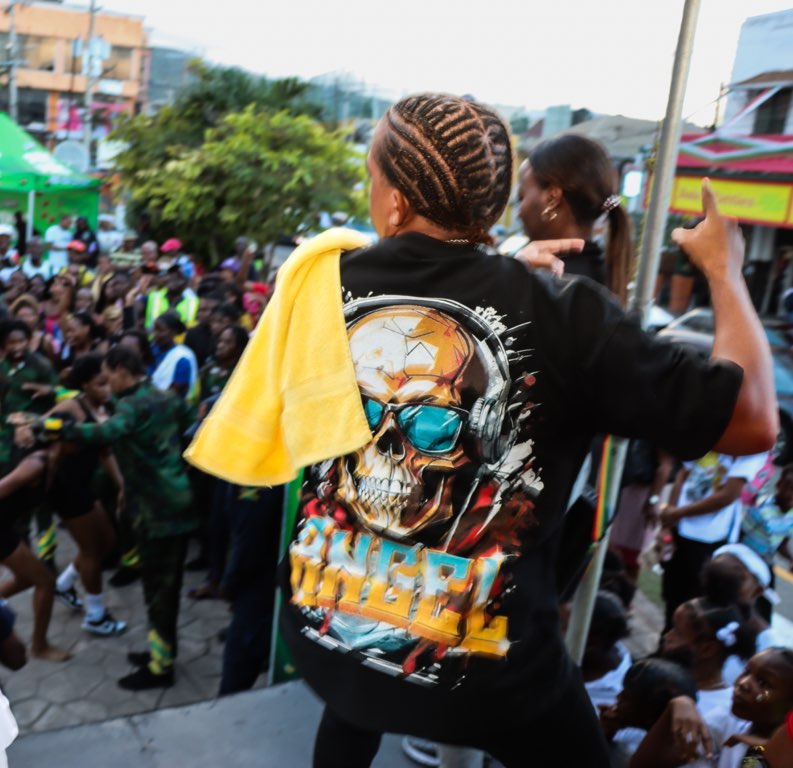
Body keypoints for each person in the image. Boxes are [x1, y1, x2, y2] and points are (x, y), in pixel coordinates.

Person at [187, 93, 777, 768]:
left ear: (396, 201)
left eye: (372, 175)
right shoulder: (565, 315)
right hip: (490, 676)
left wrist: (502, 275)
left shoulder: (319, 285)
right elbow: (754, 421)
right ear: (491, 206)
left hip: (331, 633)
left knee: (353, 712)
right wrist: (724, 273)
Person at [47, 346, 195, 689]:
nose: (107, 382)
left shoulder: (131, 405)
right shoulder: (164, 397)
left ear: (121, 372)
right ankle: (161, 652)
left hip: (158, 514)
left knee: (159, 591)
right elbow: (192, 425)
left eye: (108, 376)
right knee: (162, 588)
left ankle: (161, 668)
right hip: (172, 504)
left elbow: (102, 433)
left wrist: (51, 426)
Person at [46, 354, 126, 636]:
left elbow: (105, 451)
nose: (106, 388)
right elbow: (39, 428)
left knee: (108, 541)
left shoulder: (105, 406)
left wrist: (121, 485)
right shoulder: (71, 407)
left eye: (107, 382)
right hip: (65, 489)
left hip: (84, 486)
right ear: (84, 385)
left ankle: (63, 584)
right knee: (92, 552)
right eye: (99, 384)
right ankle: (96, 615)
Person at [516, 133, 633, 303]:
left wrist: (512, 276)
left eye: (521, 197)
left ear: (552, 198)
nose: (519, 212)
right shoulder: (600, 274)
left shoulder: (549, 282)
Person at [660, 451, 767, 630]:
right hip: (680, 530)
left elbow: (729, 494)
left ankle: (681, 644)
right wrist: (669, 521)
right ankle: (667, 640)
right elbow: (683, 473)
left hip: (709, 538)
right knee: (672, 595)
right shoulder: (710, 435)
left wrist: (677, 513)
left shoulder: (751, 447)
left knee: (694, 607)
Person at [598, 658, 698, 768]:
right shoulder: (629, 733)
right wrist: (605, 732)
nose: (617, 697)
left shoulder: (677, 756)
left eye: (626, 697)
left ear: (650, 715)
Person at [151, 311, 198, 401]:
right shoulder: (150, 350)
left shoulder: (182, 357)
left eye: (160, 330)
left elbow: (175, 393)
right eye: (154, 330)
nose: (155, 334)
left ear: (173, 332)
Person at [142, 264, 198, 330]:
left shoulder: (194, 302)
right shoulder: (153, 297)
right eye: (171, 274)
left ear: (187, 282)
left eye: (178, 277)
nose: (173, 278)